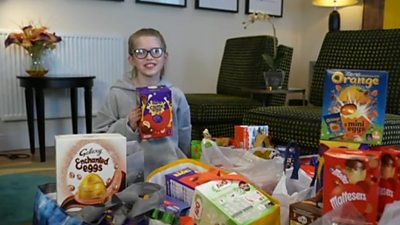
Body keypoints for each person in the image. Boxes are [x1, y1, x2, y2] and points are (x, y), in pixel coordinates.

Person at [94, 28, 192, 178]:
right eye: (141, 52)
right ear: (131, 59)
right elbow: (99, 136)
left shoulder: (176, 95)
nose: (149, 57)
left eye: (156, 51)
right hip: (130, 173)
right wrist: (127, 124)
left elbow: (184, 137)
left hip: (168, 169)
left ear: (165, 57)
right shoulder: (117, 93)